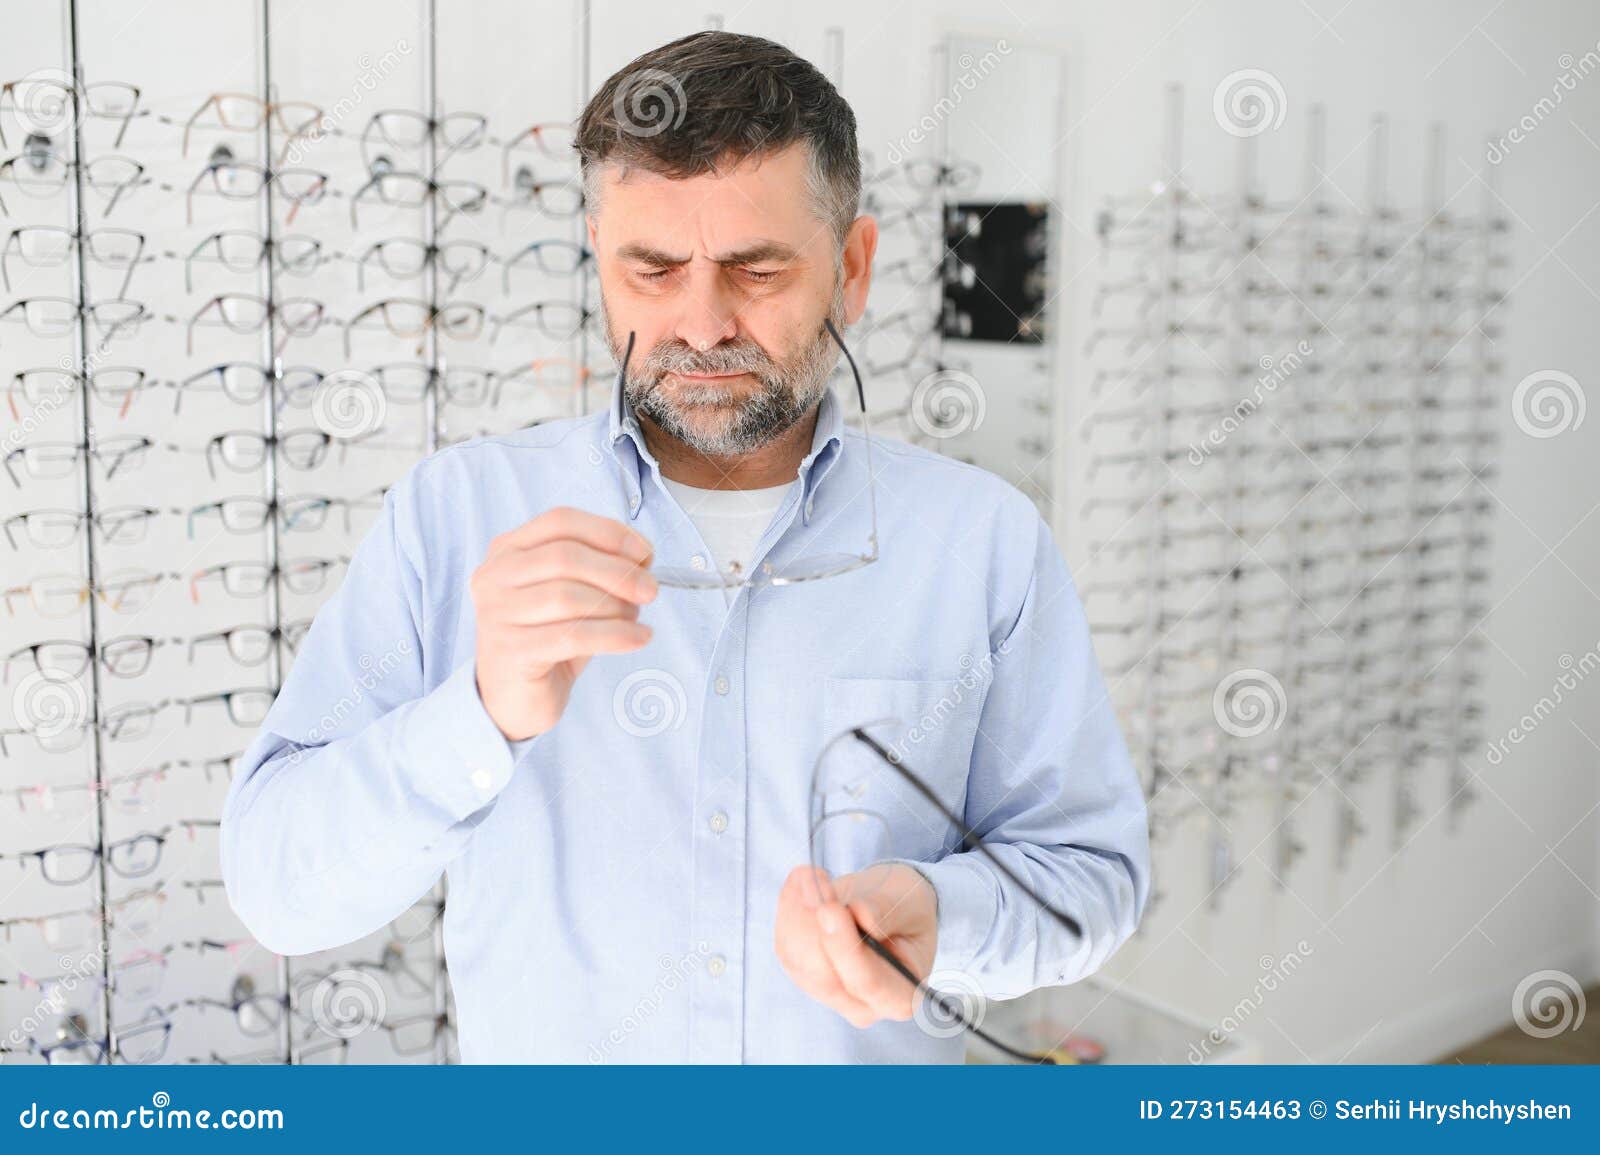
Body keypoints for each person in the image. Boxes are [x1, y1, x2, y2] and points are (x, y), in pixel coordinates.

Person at [220, 29, 1150, 1063]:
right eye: (653, 270)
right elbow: (277, 891)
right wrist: (477, 716)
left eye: (754, 270)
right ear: (599, 265)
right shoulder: (454, 517)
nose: (700, 325)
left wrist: (945, 911)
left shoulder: (980, 542)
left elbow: (1092, 881)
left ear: (851, 270)